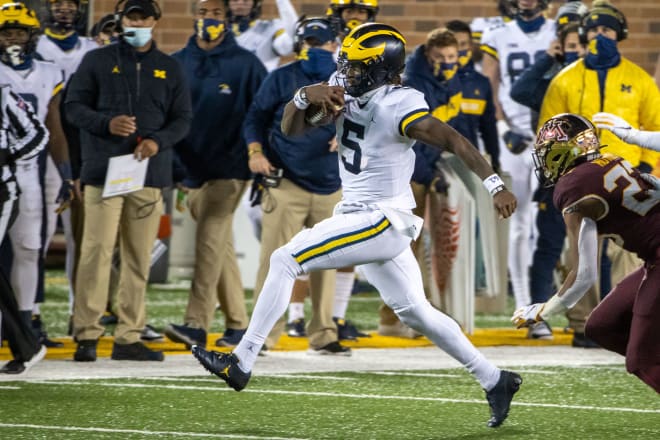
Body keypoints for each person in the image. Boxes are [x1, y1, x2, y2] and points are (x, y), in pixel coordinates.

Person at [192, 23, 522, 428]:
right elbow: (291, 127)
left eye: (356, 67)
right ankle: (495, 379)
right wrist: (302, 96)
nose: (346, 73)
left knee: (285, 259)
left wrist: (494, 185)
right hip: (360, 213)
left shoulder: (400, 103)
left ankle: (241, 361)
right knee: (415, 311)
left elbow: (453, 139)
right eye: (345, 65)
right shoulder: (342, 86)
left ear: (382, 70)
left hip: (381, 217)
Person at [65, 0, 192, 362]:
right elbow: (73, 108)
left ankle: (128, 336)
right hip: (103, 173)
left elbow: (183, 119)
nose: (138, 23)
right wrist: (107, 124)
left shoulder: (170, 68)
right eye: (131, 17)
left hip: (149, 174)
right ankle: (87, 334)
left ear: (155, 21)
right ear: (121, 20)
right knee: (96, 252)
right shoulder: (96, 61)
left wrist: (157, 142)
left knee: (138, 259)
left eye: (144, 18)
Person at [539, 0, 660, 344]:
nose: (598, 36)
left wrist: (648, 169)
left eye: (606, 29)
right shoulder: (566, 78)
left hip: (629, 178)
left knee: (627, 255)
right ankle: (582, 322)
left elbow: (655, 126)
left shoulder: (638, 79)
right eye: (592, 30)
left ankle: (632, 317)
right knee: (579, 252)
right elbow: (549, 132)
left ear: (619, 34)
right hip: (581, 178)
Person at [512, 113, 659, 393]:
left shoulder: (573, 188)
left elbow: (584, 274)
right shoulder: (613, 160)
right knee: (602, 326)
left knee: (642, 361)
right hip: (653, 260)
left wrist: (545, 310)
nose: (544, 162)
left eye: (547, 153)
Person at [242, 16, 349, 354]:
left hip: (331, 182)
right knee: (274, 263)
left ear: (336, 45)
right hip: (285, 180)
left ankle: (324, 333)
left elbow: (366, 120)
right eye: (310, 43)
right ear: (300, 44)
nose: (316, 50)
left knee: (327, 263)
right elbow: (254, 119)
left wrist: (344, 137)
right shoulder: (281, 78)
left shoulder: (349, 82)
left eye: (323, 43)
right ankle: (262, 336)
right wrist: (255, 151)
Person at [163, 0, 266, 349]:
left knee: (207, 243)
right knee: (219, 247)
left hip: (230, 170)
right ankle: (239, 326)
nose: (209, 20)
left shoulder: (246, 64)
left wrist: (255, 158)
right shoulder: (177, 63)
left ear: (227, 19)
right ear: (195, 16)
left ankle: (196, 324)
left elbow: (261, 115)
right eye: (204, 13)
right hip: (189, 173)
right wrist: (175, 169)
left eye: (217, 14)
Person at [509, 2, 588, 342]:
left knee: (594, 250)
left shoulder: (601, 78)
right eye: (570, 47)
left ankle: (593, 317)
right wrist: (549, 59)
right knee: (550, 245)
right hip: (556, 173)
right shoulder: (549, 80)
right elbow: (519, 91)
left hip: (593, 170)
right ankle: (538, 312)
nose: (577, 52)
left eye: (580, 46)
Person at [376, 28, 461, 338]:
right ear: (427, 55)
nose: (447, 63)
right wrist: (427, 172)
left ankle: (414, 312)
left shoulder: (451, 79)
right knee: (403, 247)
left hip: (431, 171)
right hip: (410, 175)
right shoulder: (414, 83)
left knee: (426, 247)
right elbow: (409, 139)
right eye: (441, 58)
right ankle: (394, 317)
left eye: (452, 57)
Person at [0, 1, 73, 349]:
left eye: (18, 31)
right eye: (5, 31)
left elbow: (54, 128)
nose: (11, 38)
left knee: (29, 248)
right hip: (3, 170)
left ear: (32, 35)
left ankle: (25, 323)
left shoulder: (48, 72)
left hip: (28, 171)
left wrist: (65, 173)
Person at [481, 0, 556, 312]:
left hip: (553, 137)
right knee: (520, 223)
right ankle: (525, 303)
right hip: (516, 138)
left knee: (549, 225)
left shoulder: (558, 30)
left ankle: (552, 299)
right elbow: (490, 86)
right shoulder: (497, 33)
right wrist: (501, 128)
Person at [0, 85, 48, 374]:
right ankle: (26, 344)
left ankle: (26, 344)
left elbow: (38, 134)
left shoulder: (3, 95)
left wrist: (8, 155)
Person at [224, 0, 296, 71]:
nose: (240, 2)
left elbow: (287, 48)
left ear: (255, 3)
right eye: (235, 0)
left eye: (246, 0)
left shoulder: (271, 27)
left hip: (263, 81)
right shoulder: (218, 31)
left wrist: (282, 1)